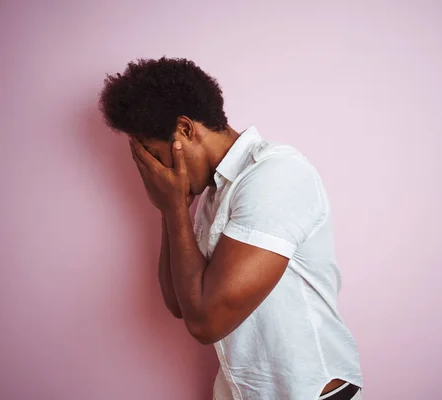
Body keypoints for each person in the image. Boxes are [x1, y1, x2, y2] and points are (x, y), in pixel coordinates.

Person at [99, 57, 363, 400]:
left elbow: (206, 322)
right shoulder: (214, 193)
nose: (155, 171)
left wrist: (175, 208)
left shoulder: (273, 175)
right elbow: (180, 302)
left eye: (153, 154)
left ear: (185, 129)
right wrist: (170, 209)